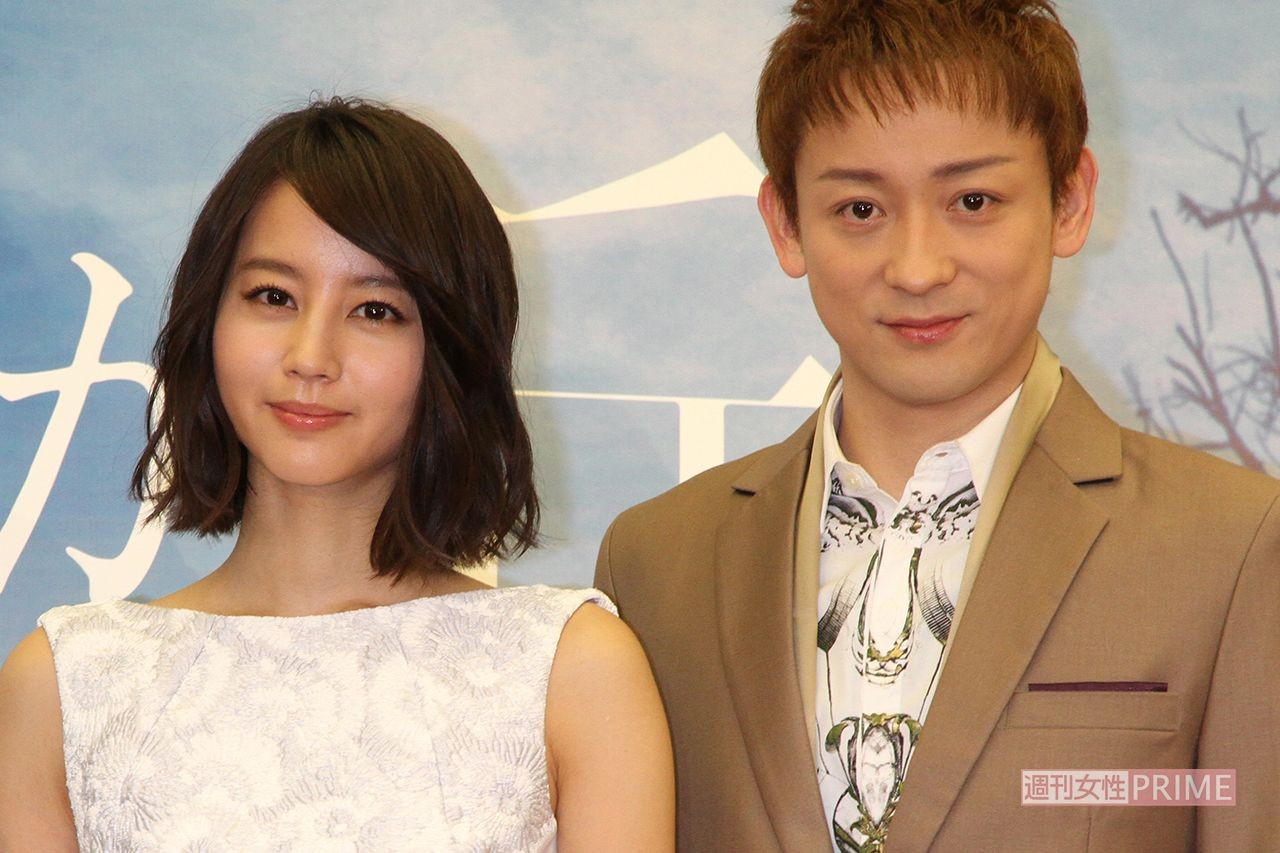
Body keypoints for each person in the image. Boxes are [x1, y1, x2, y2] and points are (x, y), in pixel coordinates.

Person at [595, 1, 1280, 850]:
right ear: (785, 223)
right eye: (860, 210)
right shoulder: (655, 562)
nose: (918, 268)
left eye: (973, 200)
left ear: (1070, 200)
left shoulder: (1235, 547)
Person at [0, 98, 673, 851]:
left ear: (453, 350)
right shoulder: (66, 685)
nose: (311, 356)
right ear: (208, 320)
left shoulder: (570, 669)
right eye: (273, 297)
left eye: (376, 310)